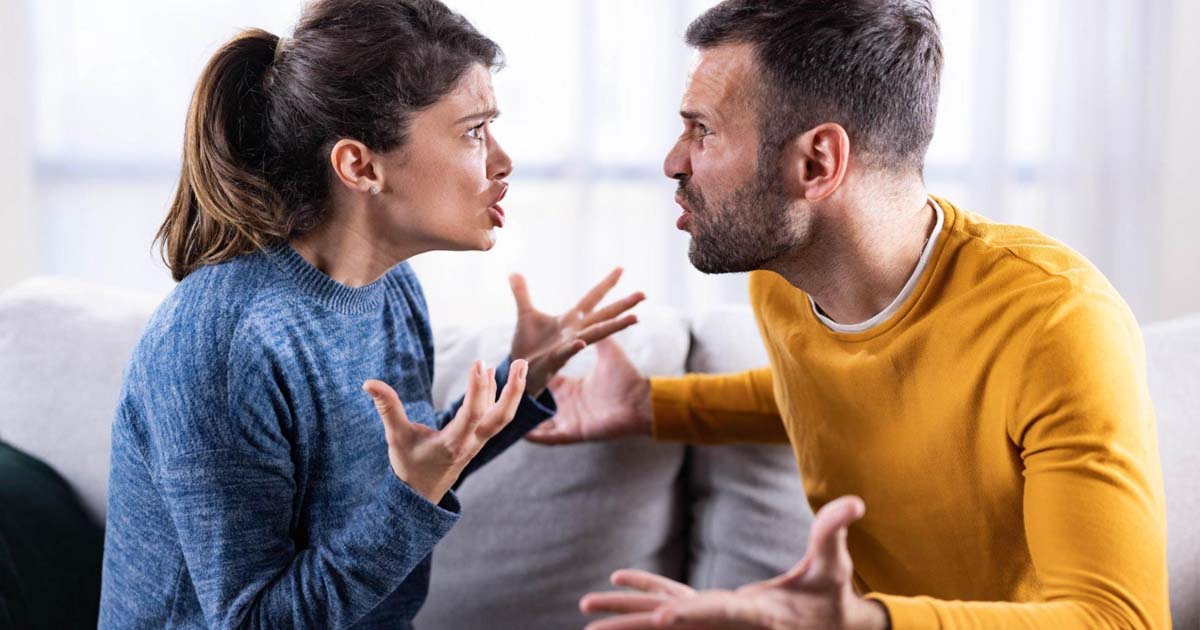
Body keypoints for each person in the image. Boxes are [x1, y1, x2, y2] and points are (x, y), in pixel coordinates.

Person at [527, 1, 1170, 628]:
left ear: (817, 164)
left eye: (704, 131)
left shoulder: (1055, 323)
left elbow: (1117, 618)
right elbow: (842, 395)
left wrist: (868, 620)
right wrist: (651, 406)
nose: (674, 161)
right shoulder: (783, 282)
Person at [98, 1, 643, 627]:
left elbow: (395, 477)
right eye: (473, 131)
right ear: (360, 165)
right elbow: (250, 620)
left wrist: (521, 379)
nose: (502, 161)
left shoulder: (393, 289)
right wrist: (413, 497)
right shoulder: (224, 344)